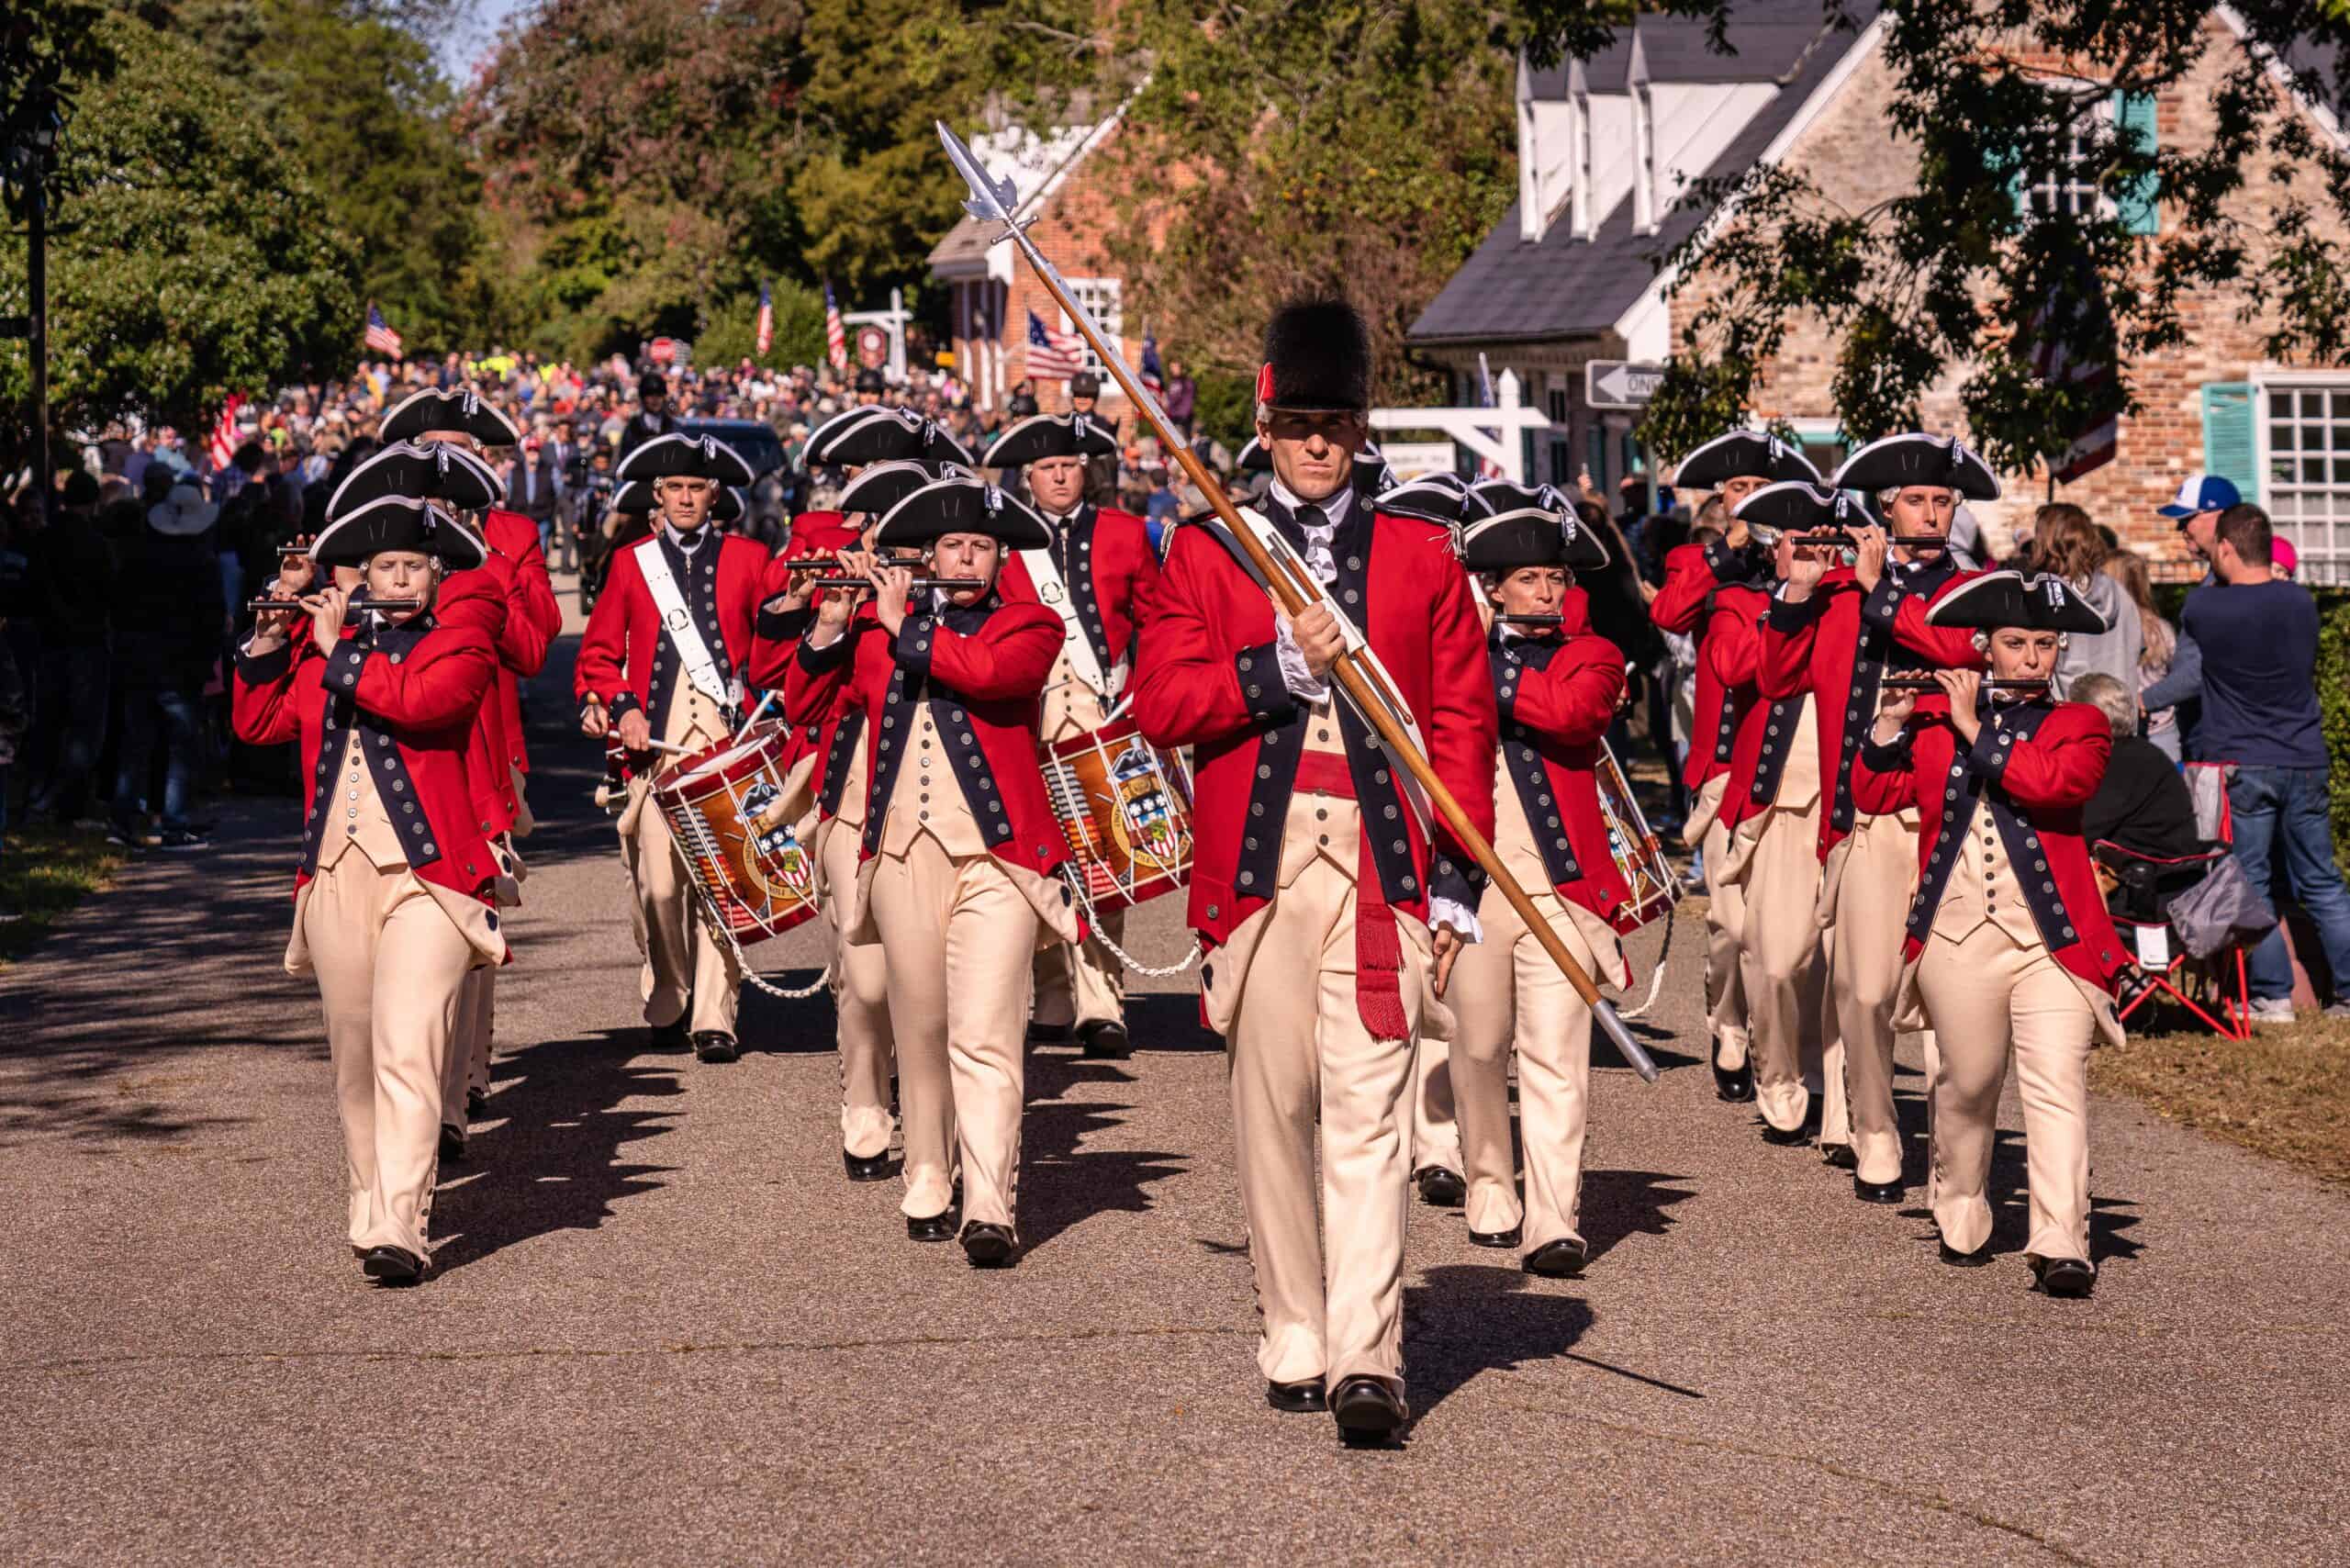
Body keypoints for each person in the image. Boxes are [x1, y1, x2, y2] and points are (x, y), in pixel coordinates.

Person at [1132, 297, 1495, 1444]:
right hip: (1259, 870)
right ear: (1266, 422)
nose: (1315, 442)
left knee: (1370, 1111)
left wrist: (1456, 881)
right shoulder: (1208, 550)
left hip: (1383, 867)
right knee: (1274, 1108)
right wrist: (1277, 664)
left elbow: (1460, 726)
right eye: (1296, 422)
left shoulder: (1422, 554)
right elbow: (1162, 702)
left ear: (1359, 426)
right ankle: (1295, 1322)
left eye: (1333, 421)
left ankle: (1367, 1353)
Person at [782, 476, 1078, 1265]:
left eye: (981, 546)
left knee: (985, 1030)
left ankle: (988, 1203)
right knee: (921, 1026)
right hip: (901, 853)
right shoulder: (883, 631)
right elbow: (808, 705)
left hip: (999, 861)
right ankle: (926, 1170)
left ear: (1000, 556)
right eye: (953, 546)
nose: (967, 557)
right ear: (928, 554)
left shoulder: (1031, 623)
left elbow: (990, 676)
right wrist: (831, 625)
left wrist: (896, 626)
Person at [230, 497, 506, 1285]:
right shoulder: (328, 646)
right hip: (335, 872)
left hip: (431, 879)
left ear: (435, 575)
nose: (397, 578)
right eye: (382, 566)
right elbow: (258, 725)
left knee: (408, 1044)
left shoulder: (461, 641)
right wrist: (272, 639)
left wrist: (338, 650)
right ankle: (369, 1194)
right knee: (353, 1059)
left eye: (412, 566)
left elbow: (426, 704)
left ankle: (401, 1222)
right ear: (359, 574)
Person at [1852, 569, 2130, 1298]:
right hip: (1957, 930)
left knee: (2056, 1083)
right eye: (2015, 643)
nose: (2032, 658)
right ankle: (1961, 1197)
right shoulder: (1936, 722)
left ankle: (2062, 1238)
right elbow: (1875, 792)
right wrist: (1889, 722)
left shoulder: (2082, 724)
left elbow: (2053, 787)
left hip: (2053, 940)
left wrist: (1976, 727)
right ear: (1985, 648)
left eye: (2044, 644)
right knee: (1969, 1084)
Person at [1756, 437, 1988, 1203]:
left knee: (1956, 1004)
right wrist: (1796, 591)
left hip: (1951, 818)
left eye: (1945, 500)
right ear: (1884, 509)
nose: (1934, 512)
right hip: (1863, 819)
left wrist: (1884, 589)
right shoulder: (1840, 595)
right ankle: (1877, 1126)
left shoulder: (1977, 589)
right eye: (1918, 500)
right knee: (1862, 991)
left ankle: (1954, 1153)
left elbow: (1961, 649)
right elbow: (1774, 677)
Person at [1445, 486, 1628, 1277]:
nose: (1549, 591)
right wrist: (1464, 657)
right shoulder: (1451, 663)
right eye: (1529, 579)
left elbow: (1570, 715)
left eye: (1555, 577)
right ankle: (1490, 1180)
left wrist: (1482, 663)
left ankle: (1554, 1216)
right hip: (1476, 886)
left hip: (1562, 891)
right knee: (1479, 1046)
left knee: (1557, 1057)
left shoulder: (1594, 653)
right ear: (1492, 587)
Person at [576, 433, 773, 1058]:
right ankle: (669, 989)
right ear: (656, 496)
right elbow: (600, 654)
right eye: (675, 489)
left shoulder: (750, 557)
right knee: (658, 887)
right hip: (656, 749)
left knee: (723, 882)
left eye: (698, 488)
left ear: (714, 495)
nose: (687, 498)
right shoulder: (633, 561)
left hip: (727, 745)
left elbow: (772, 650)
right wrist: (621, 706)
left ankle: (716, 1014)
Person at [985, 409, 1163, 1058]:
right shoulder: (1005, 540)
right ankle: (1051, 995)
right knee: (1038, 862)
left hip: (1102, 713)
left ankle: (1101, 1002)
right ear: (1027, 476)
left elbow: (1157, 620)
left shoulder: (1125, 532)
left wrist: (1144, 696)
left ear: (1085, 471)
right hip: (1027, 722)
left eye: (1069, 466)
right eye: (1046, 468)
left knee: (1105, 863)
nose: (1059, 476)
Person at [1651, 430, 1822, 1102]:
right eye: (1743, 491)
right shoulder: (1701, 559)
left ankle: (1776, 1047)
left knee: (1779, 929)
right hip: (1722, 765)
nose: (1756, 501)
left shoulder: (1804, 569)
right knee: (1730, 927)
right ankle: (1726, 1019)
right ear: (1725, 498)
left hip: (1786, 768)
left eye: (1765, 491)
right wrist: (1729, 551)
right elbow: (1668, 613)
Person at [2174, 504, 2350, 1022]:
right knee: (2321, 880)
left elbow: (2194, 668)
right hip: (2303, 757)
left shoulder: (2204, 609)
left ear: (2225, 548)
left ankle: (2272, 996)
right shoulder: (2300, 603)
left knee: (2250, 881)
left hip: (2242, 760)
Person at [108, 484, 226, 850]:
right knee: (179, 747)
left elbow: (120, 609)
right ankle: (173, 823)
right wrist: (206, 661)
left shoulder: (137, 559)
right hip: (180, 665)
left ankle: (122, 819)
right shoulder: (202, 564)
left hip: (140, 663)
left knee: (135, 745)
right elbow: (211, 620)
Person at [2071, 673, 2200, 865]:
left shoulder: (2123, 761)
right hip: (2151, 866)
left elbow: (2084, 828)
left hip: (2156, 878)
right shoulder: (2135, 752)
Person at [2028, 504, 2142, 699]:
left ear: (2045, 542)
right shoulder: (2119, 593)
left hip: (2070, 716)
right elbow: (2136, 649)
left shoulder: (2052, 598)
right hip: (2117, 711)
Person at [2103, 551, 2180, 762]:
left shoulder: (2105, 632)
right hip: (2163, 733)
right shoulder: (2162, 630)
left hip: (2116, 733)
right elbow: (2175, 674)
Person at [620, 372, 678, 457]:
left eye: (659, 395)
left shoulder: (672, 426)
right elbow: (625, 460)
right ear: (643, 398)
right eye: (650, 395)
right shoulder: (633, 427)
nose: (655, 400)